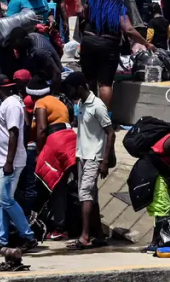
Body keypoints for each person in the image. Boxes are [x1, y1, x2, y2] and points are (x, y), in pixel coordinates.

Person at [81, 0, 156, 110]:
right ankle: (104, 115)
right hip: (108, 43)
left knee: (90, 80)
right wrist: (146, 43)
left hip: (89, 40)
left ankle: (89, 113)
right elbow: (129, 30)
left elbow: (85, 15)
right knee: (105, 83)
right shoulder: (117, 6)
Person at [0, 78, 38, 254]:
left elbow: (14, 132)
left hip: (10, 162)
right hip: (0, 160)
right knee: (0, 201)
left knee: (6, 199)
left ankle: (28, 237)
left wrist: (8, 161)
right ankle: (1, 240)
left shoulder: (12, 104)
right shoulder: (6, 104)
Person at [63, 73, 113, 250]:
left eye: (71, 88)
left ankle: (85, 237)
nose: (69, 92)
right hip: (82, 156)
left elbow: (110, 133)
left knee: (85, 194)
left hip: (94, 157)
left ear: (80, 88)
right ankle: (99, 235)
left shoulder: (97, 105)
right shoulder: (81, 104)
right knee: (91, 197)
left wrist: (105, 161)